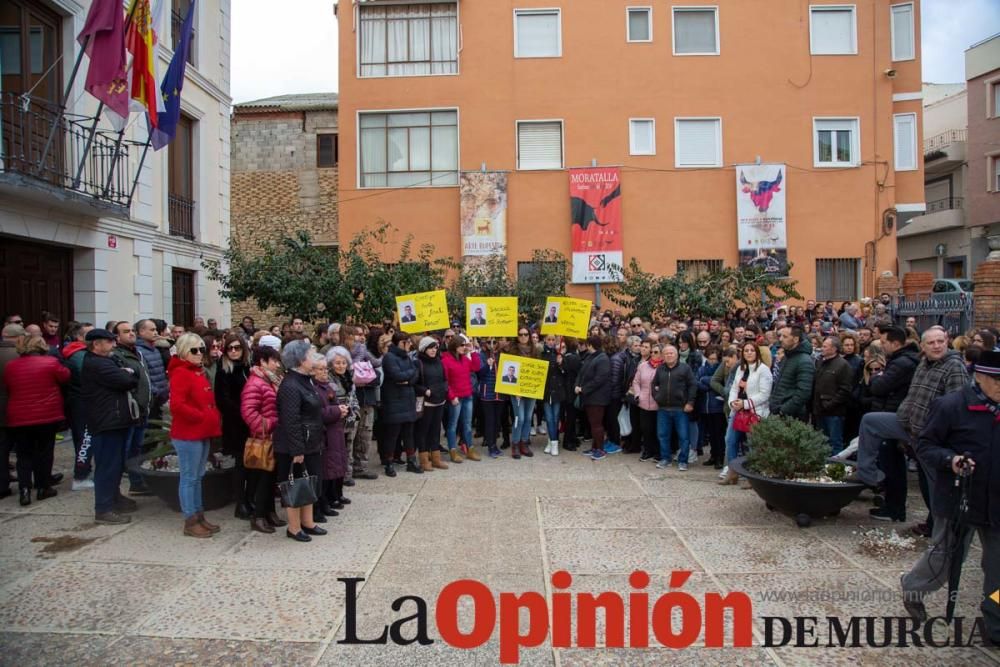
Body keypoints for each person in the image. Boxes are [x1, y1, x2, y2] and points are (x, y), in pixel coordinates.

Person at [899, 350, 1000, 645]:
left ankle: (994, 624)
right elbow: (926, 445)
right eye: (996, 380)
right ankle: (913, 587)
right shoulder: (951, 406)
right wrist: (950, 459)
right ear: (979, 377)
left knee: (997, 567)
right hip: (960, 497)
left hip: (997, 503)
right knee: (945, 556)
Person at [857, 327, 963, 527]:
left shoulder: (954, 366)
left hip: (932, 435)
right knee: (870, 421)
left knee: (934, 485)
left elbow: (956, 405)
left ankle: (942, 532)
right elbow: (912, 395)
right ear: (922, 346)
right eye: (931, 343)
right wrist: (903, 417)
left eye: (940, 341)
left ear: (947, 341)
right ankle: (869, 474)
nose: (937, 346)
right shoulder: (923, 363)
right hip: (907, 423)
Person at [168, 333, 223, 538]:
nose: (200, 353)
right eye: (194, 350)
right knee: (189, 477)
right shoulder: (181, 373)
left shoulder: (196, 372)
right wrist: (200, 416)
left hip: (201, 431)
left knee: (198, 476)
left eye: (202, 349)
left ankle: (199, 515)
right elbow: (177, 405)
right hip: (188, 433)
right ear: (184, 351)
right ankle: (190, 519)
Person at [4, 335, 70, 505]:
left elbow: (8, 386)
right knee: (45, 452)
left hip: (19, 416)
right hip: (46, 415)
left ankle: (24, 490)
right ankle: (43, 487)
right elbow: (65, 377)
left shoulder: (11, 366)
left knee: (23, 454)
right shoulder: (50, 363)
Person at [82, 329, 140, 524]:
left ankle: (114, 497)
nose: (113, 344)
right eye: (108, 342)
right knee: (108, 465)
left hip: (114, 419)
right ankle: (104, 508)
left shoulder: (106, 361)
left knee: (115, 464)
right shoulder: (98, 364)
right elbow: (127, 380)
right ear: (96, 345)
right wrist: (128, 374)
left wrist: (127, 373)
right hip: (107, 421)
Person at [272, 340, 326, 542]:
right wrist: (297, 450)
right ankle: (293, 528)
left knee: (309, 480)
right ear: (301, 360)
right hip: (293, 445)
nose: (314, 358)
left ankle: (308, 522)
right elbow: (290, 420)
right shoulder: (291, 385)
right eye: (311, 355)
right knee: (295, 484)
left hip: (309, 441)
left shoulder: (304, 380)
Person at [239, 345, 285, 533]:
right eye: (273, 360)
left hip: (273, 436)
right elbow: (248, 412)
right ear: (263, 362)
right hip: (264, 437)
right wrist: (267, 425)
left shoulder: (270, 380)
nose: (277, 364)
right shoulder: (255, 383)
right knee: (263, 479)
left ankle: (269, 512)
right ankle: (258, 516)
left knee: (271, 477)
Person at [719, 342, 773, 484]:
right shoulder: (741, 369)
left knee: (752, 444)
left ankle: (752, 476)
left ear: (757, 352)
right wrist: (733, 403)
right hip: (738, 411)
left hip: (755, 412)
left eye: (752, 350)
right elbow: (734, 389)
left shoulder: (763, 370)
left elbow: (764, 394)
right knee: (730, 440)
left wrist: (745, 403)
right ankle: (732, 472)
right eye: (746, 350)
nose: (749, 353)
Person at [111, 321, 154, 497]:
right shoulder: (117, 356)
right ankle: (117, 489)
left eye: (132, 331)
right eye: (126, 331)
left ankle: (136, 483)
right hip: (130, 410)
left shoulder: (138, 353)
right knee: (125, 449)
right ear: (117, 336)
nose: (131, 334)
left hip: (142, 409)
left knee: (136, 448)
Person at [214, 333, 251, 518]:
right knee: (240, 464)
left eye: (237, 348)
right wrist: (244, 413)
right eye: (230, 348)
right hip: (236, 424)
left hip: (250, 423)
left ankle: (250, 497)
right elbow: (223, 400)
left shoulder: (248, 367)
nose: (234, 351)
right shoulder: (223, 369)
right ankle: (241, 502)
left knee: (252, 462)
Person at [312, 351, 347, 523]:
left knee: (335, 463)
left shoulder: (327, 386)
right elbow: (319, 412)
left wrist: (341, 410)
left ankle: (333, 497)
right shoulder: (315, 388)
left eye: (326, 369)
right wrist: (337, 410)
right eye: (321, 369)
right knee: (326, 468)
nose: (325, 372)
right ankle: (324, 501)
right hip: (326, 432)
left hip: (335, 430)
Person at [379, 332, 420, 477]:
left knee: (409, 433)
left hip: (407, 399)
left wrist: (407, 380)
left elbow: (415, 375)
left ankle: (411, 460)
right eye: (407, 342)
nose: (409, 345)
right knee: (393, 435)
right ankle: (389, 463)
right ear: (399, 343)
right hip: (394, 401)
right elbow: (397, 376)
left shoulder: (407, 357)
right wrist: (408, 375)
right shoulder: (389, 357)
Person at [61, 322, 95, 490]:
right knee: (85, 439)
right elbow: (90, 377)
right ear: (80, 337)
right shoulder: (79, 355)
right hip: (82, 402)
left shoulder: (80, 353)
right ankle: (80, 476)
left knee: (83, 438)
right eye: (90, 334)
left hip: (81, 400)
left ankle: (84, 472)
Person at [652, 344, 697, 471]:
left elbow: (693, 386)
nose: (669, 355)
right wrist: (657, 397)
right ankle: (665, 459)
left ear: (676, 355)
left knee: (683, 436)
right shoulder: (660, 369)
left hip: (680, 409)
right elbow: (654, 384)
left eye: (671, 353)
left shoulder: (685, 368)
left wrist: (690, 403)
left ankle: (683, 461)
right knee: (662, 435)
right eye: (666, 353)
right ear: (663, 356)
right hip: (663, 408)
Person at [441, 334, 482, 462]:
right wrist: (452, 396)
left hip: (467, 396)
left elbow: (476, 367)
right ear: (455, 346)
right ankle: (453, 451)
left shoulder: (464, 359)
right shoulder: (445, 360)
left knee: (468, 424)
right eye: (462, 345)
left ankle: (470, 449)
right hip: (456, 398)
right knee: (452, 425)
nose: (464, 347)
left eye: (465, 345)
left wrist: (473, 351)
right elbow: (445, 381)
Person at [812, 336, 854, 456]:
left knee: (835, 441)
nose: (822, 348)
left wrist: (830, 404)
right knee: (821, 440)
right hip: (819, 409)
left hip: (834, 412)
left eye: (825, 346)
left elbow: (845, 389)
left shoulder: (843, 365)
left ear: (834, 349)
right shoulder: (820, 362)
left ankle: (836, 468)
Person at [414, 337, 449, 471]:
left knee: (436, 430)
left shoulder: (439, 362)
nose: (434, 350)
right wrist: (426, 391)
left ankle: (436, 459)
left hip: (439, 400)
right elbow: (414, 383)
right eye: (431, 347)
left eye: (435, 347)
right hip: (426, 403)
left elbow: (444, 379)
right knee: (423, 431)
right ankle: (424, 460)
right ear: (424, 349)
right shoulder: (418, 363)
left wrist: (445, 389)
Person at [576, 335, 611, 460]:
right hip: (589, 397)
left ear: (590, 345)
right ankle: (594, 447)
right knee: (593, 424)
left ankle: (600, 450)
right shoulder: (591, 357)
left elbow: (599, 380)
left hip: (598, 398)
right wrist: (577, 385)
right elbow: (582, 373)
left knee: (597, 424)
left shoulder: (603, 359)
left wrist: (583, 389)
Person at [770, 325, 814, 421]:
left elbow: (803, 393)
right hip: (778, 411)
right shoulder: (787, 357)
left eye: (785, 337)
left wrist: (783, 410)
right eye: (780, 336)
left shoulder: (804, 361)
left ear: (795, 339)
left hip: (792, 416)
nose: (781, 339)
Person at [629, 341, 662, 463]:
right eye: (652, 352)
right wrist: (638, 395)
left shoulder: (664, 367)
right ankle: (647, 451)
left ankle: (658, 452)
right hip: (643, 403)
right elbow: (636, 381)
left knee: (658, 430)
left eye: (656, 352)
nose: (653, 354)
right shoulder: (643, 365)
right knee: (646, 428)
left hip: (658, 404)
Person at [477, 339, 509, 458]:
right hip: (487, 393)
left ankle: (495, 444)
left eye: (495, 341)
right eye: (489, 341)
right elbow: (479, 373)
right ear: (484, 343)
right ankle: (490, 446)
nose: (492, 344)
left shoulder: (503, 355)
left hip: (500, 393)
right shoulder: (481, 355)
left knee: (497, 421)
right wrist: (487, 365)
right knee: (490, 421)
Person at [696, 346, 725, 469]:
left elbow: (717, 383)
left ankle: (720, 457)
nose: (712, 361)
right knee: (711, 434)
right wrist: (710, 383)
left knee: (719, 434)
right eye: (710, 358)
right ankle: (713, 455)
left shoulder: (721, 369)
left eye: (714, 359)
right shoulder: (702, 369)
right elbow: (697, 383)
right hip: (705, 407)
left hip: (717, 407)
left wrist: (706, 380)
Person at [135, 319, 168, 418]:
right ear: (141, 332)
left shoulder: (155, 349)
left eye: (156, 330)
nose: (156, 333)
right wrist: (156, 392)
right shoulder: (139, 351)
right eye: (152, 330)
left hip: (161, 397)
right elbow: (143, 376)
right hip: (152, 398)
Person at [540, 334, 566, 456]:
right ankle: (552, 441)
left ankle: (553, 442)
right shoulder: (541, 355)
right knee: (549, 418)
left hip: (558, 392)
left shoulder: (560, 355)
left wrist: (561, 363)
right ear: (545, 341)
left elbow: (565, 373)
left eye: (552, 340)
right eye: (548, 339)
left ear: (556, 341)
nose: (550, 342)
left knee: (555, 418)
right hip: (546, 391)